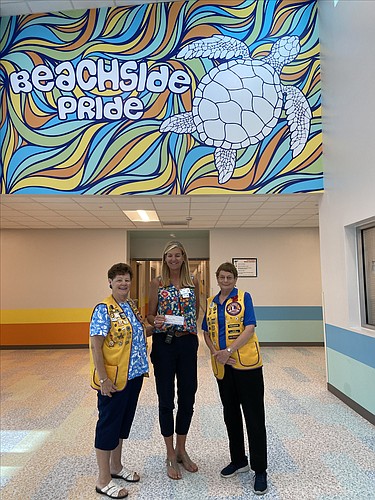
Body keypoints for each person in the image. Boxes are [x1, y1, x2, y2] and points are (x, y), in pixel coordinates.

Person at [202, 262, 268, 495]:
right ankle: (239, 459)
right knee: (230, 414)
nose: (225, 281)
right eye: (222, 277)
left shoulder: (244, 298)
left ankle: (260, 469)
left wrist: (228, 351)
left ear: (235, 279)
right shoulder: (211, 302)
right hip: (222, 367)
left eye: (229, 277)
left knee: (254, 417)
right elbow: (206, 332)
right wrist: (215, 353)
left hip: (246, 366)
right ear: (217, 278)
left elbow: (249, 327)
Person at [90, 263, 153, 499]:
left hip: (133, 375)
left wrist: (152, 328)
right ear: (110, 282)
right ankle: (103, 480)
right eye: (119, 280)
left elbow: (137, 333)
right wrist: (103, 379)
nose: (123, 284)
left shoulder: (130, 306)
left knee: (122, 424)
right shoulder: (103, 309)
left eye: (127, 279)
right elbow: (96, 345)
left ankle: (116, 467)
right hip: (114, 379)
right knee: (108, 425)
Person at [147, 240, 200, 480]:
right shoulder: (157, 283)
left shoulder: (193, 283)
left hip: (187, 343)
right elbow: (150, 313)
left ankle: (181, 449)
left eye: (178, 255)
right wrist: (154, 320)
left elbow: (196, 311)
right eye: (169, 256)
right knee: (166, 399)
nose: (174, 260)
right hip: (164, 345)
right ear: (164, 259)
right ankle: (169, 453)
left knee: (188, 396)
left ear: (184, 257)